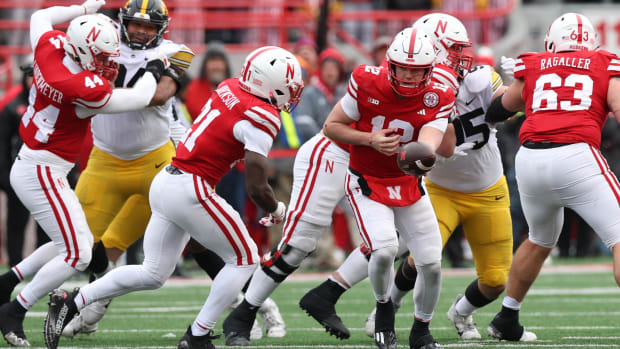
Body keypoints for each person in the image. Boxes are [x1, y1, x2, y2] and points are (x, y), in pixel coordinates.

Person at [44, 46, 304, 349]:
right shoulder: (264, 114)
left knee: (153, 272)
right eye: (288, 86)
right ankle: (198, 334)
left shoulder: (230, 87)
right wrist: (277, 208)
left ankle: (72, 300)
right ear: (269, 82)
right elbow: (257, 185)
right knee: (245, 258)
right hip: (192, 188)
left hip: (167, 179)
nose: (291, 93)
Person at [222, 28, 455, 349]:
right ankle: (244, 314)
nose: (411, 75)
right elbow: (333, 127)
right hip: (335, 153)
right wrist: (374, 140)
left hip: (388, 168)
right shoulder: (370, 79)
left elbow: (435, 139)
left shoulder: (444, 86)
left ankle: (327, 293)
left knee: (391, 244)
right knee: (299, 244)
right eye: (453, 49)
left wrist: (424, 157)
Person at [0, 0, 166, 346]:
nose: (110, 63)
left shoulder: (52, 47)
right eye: (103, 57)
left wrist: (85, 6)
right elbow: (138, 98)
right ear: (83, 51)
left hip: (38, 162)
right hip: (42, 169)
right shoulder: (80, 87)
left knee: (75, 242)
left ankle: (7, 282)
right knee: (78, 254)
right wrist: (156, 68)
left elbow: (40, 16)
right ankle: (15, 309)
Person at [361, 12, 516, 341]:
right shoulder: (410, 92)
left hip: (488, 188)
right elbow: (427, 147)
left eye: (463, 49)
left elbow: (506, 109)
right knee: (421, 260)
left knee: (495, 280)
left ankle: (461, 311)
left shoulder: (481, 78)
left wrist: (522, 86)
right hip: (440, 189)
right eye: (456, 49)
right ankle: (390, 303)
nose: (464, 57)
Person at [52, 0, 193, 337]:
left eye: (148, 27)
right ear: (123, 23)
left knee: (191, 246)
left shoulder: (176, 51)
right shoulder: (102, 35)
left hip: (155, 162)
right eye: (136, 25)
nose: (141, 32)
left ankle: (251, 303)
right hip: (104, 160)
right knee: (81, 246)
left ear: (160, 30)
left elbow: (159, 94)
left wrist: (95, 91)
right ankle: (89, 308)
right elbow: (67, 48)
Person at [484, 12, 620, 341]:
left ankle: (506, 318)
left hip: (530, 161)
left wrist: (520, 85)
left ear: (551, 43)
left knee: (541, 239)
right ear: (590, 43)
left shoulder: (534, 64)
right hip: (576, 156)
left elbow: (497, 110)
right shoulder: (603, 62)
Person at [0, 58, 49, 268]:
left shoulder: (54, 106)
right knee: (16, 224)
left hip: (48, 174)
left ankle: (44, 267)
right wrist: (5, 179)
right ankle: (15, 265)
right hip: (19, 176)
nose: (34, 81)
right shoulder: (12, 109)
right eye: (30, 75)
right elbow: (2, 146)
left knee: (47, 226)